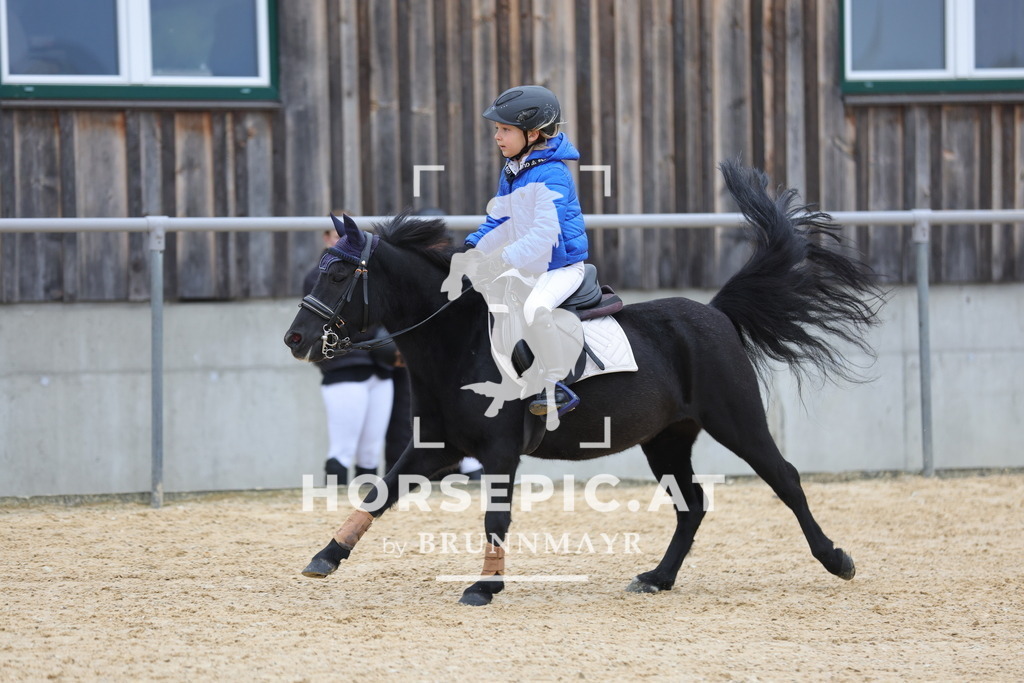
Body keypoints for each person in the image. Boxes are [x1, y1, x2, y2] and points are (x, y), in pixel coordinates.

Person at [463, 85, 589, 417]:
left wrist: (501, 259)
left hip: (560, 268)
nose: (497, 137)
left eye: (505, 129)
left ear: (533, 133)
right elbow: (498, 219)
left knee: (534, 309)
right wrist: (472, 246)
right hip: (529, 265)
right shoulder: (514, 170)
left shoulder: (552, 175)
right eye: (496, 129)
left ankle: (556, 386)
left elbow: (543, 236)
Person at [305, 231, 395, 485]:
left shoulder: (368, 278)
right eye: (336, 236)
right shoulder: (318, 277)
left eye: (347, 238)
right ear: (326, 238)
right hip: (345, 370)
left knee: (370, 451)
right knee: (342, 449)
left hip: (379, 371)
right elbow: (326, 326)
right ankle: (334, 505)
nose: (340, 241)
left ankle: (363, 510)